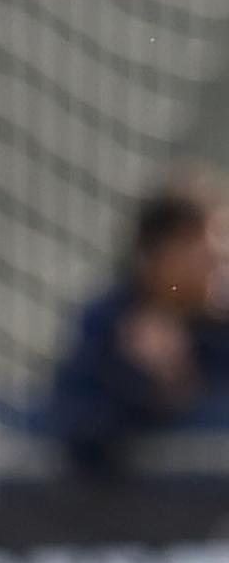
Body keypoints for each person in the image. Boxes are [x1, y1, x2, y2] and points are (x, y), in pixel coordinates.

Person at [50, 177, 229, 482]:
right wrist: (144, 378)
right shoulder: (109, 325)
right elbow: (79, 429)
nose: (218, 257)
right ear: (159, 254)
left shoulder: (219, 329)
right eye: (202, 246)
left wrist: (182, 382)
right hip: (130, 518)